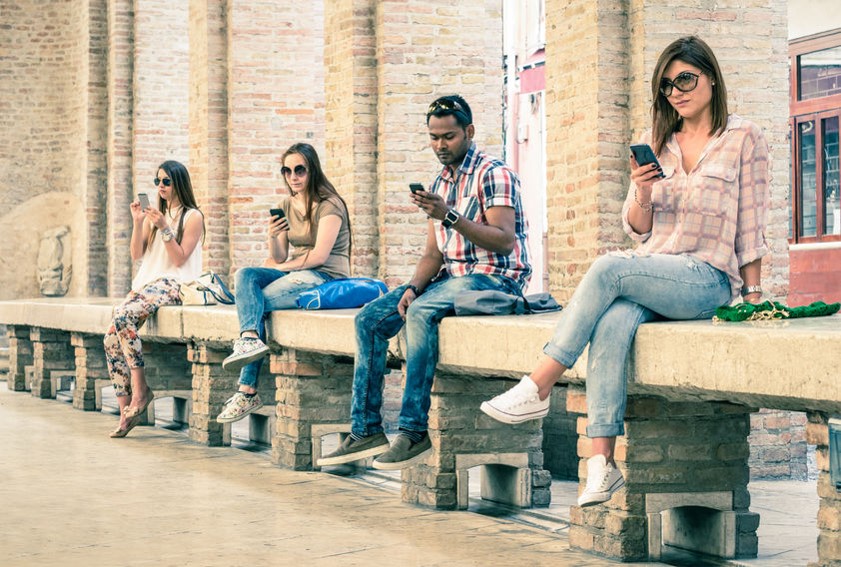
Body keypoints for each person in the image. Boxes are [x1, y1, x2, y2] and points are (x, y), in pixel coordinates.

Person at [479, 36, 770, 507]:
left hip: (708, 279)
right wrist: (641, 190)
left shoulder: (743, 137)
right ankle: (603, 464)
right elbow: (639, 228)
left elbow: (752, 223)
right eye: (667, 85)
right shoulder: (659, 142)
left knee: (609, 267)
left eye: (686, 79)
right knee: (613, 322)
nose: (676, 91)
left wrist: (755, 299)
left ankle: (538, 384)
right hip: (658, 271)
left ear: (711, 78)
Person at [318, 95, 532, 470]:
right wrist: (414, 286)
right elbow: (434, 255)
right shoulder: (440, 182)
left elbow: (503, 239)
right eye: (433, 137)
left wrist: (448, 215)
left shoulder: (492, 173)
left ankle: (413, 431)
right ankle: (366, 429)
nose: (440, 146)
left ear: (469, 132)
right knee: (369, 320)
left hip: (496, 280)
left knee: (420, 312)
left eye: (448, 137)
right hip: (451, 278)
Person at [216, 143, 351, 423]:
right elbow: (278, 255)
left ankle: (247, 390)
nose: (293, 176)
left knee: (255, 304)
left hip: (325, 277)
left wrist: (280, 267)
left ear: (312, 170)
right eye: (287, 171)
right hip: (297, 274)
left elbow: (319, 256)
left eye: (299, 169)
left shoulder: (330, 205)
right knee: (245, 275)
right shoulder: (286, 205)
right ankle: (250, 340)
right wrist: (273, 237)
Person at [104, 160, 205, 438]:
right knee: (110, 338)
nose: (160, 186)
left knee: (123, 317)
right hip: (146, 285)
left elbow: (180, 258)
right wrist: (139, 223)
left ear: (179, 183)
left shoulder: (192, 216)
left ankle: (141, 392)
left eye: (166, 181)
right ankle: (126, 413)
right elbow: (137, 254)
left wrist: (164, 227)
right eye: (157, 181)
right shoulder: (154, 215)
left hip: (174, 284)